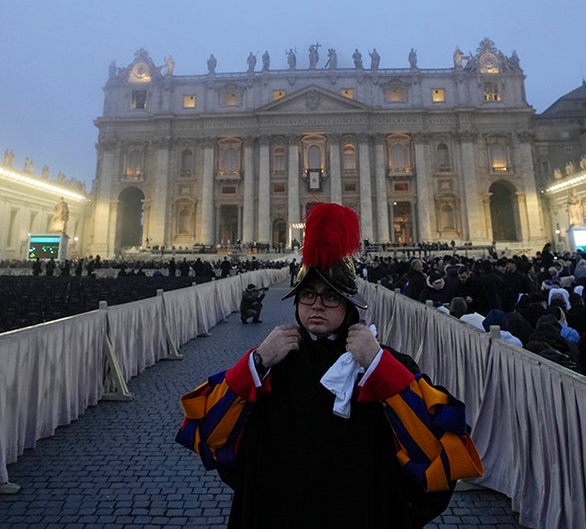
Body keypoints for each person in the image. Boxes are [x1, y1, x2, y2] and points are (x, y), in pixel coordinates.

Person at [176, 203, 482, 528]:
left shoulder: (385, 366)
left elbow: (438, 451)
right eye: (307, 295)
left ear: (349, 305)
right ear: (296, 302)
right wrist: (256, 362)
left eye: (331, 296)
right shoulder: (269, 365)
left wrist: (380, 367)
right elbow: (207, 433)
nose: (317, 305)